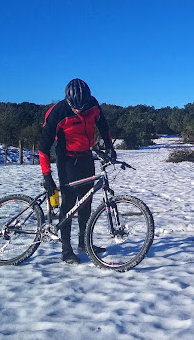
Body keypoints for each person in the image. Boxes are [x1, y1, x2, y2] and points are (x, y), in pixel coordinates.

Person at [38, 78, 116, 264]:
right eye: (74, 107)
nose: (78, 111)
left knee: (86, 202)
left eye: (82, 107)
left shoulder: (93, 104)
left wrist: (110, 147)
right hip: (66, 160)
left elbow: (103, 125)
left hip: (86, 157)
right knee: (69, 204)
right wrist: (47, 175)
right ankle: (66, 250)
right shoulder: (57, 112)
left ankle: (84, 243)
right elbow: (43, 147)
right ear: (67, 101)